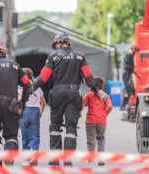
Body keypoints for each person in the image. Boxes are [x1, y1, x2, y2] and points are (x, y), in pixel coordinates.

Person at [33, 32, 108, 165]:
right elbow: (89, 78)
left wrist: (29, 87)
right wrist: (97, 91)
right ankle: (68, 160)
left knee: (55, 126)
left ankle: (55, 160)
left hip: (57, 94)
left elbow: (43, 78)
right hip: (74, 95)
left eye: (56, 44)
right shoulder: (80, 57)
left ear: (59, 43)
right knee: (71, 129)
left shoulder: (53, 56)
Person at [19, 67, 46, 165]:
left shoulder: (20, 87)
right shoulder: (37, 87)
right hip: (35, 111)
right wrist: (41, 113)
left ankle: (26, 159)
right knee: (35, 136)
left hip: (24, 111)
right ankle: (34, 158)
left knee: (25, 136)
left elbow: (18, 101)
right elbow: (43, 102)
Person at [83, 77, 112, 166]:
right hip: (101, 121)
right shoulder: (105, 96)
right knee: (101, 139)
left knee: (91, 140)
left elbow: (82, 104)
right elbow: (110, 107)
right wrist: (104, 114)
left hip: (90, 121)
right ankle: (101, 160)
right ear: (102, 85)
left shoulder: (89, 94)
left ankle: (91, 159)